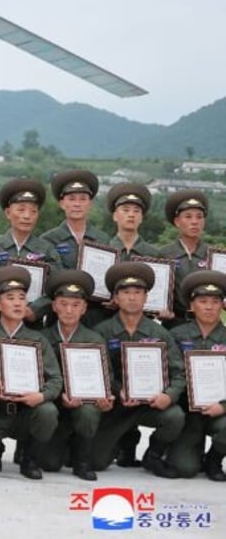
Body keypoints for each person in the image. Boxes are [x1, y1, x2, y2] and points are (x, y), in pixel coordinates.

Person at [91, 262, 186, 478]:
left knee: (175, 416)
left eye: (138, 292)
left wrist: (168, 395)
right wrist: (116, 391)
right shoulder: (102, 332)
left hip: (149, 405)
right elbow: (98, 371)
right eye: (125, 292)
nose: (132, 297)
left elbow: (179, 372)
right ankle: (120, 445)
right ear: (115, 298)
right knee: (96, 462)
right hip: (115, 406)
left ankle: (153, 455)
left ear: (146, 298)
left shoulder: (159, 333)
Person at [0, 267, 62, 480]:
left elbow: (56, 379)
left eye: (22, 298)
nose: (17, 303)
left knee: (48, 411)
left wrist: (41, 396)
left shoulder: (38, 339)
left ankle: (29, 455)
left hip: (26, 412)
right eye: (10, 298)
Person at [36, 270, 113, 480]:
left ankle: (82, 461)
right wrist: (59, 395)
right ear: (54, 306)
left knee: (88, 411)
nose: (69, 310)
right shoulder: (42, 338)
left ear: (84, 308)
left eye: (76, 305)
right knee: (50, 464)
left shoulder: (94, 339)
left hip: (82, 404)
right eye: (63, 304)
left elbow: (108, 376)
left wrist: (106, 395)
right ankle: (58, 445)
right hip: (55, 405)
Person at [167, 270, 226, 480]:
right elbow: (169, 375)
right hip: (186, 411)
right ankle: (176, 449)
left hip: (219, 410)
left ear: (222, 305)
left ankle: (214, 458)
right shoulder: (176, 335)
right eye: (202, 301)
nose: (209, 307)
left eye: (215, 301)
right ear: (192, 306)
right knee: (185, 469)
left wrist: (224, 405)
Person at [41, 169, 111, 327]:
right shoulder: (48, 240)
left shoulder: (104, 240)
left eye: (83, 199)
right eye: (71, 199)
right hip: (59, 316)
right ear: (62, 203)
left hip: (96, 315)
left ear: (90, 203)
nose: (77, 204)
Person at [0, 178, 61, 326]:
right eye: (21, 209)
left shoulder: (47, 249)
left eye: (33, 211)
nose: (27, 216)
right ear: (8, 213)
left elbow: (56, 286)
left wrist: (36, 310)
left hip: (34, 327)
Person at [160, 190, 210, 330]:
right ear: (177, 221)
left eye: (199, 217)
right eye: (188, 217)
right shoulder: (163, 254)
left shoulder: (214, 256)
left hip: (208, 326)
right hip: (174, 324)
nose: (194, 222)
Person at [106, 182, 162, 261]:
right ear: (115, 216)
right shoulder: (105, 250)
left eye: (136, 211)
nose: (131, 215)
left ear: (141, 218)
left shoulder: (154, 255)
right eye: (126, 210)